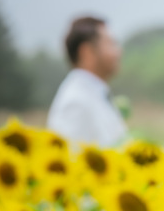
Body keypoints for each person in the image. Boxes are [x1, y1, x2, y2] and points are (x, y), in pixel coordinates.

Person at [46, 16, 127, 147]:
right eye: (110, 44)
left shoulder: (94, 94)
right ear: (87, 52)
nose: (119, 51)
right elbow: (68, 156)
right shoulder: (75, 103)